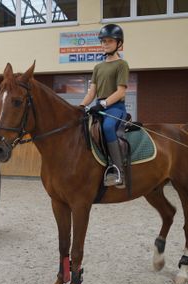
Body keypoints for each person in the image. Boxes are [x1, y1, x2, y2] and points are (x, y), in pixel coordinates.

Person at [80, 24, 129, 188]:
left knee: (108, 128)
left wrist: (104, 104)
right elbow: (91, 93)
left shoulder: (122, 64)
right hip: (99, 106)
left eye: (109, 41)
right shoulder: (98, 67)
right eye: (103, 41)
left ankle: (118, 171)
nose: (105, 44)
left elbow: (121, 92)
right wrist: (80, 106)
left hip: (115, 108)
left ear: (118, 43)